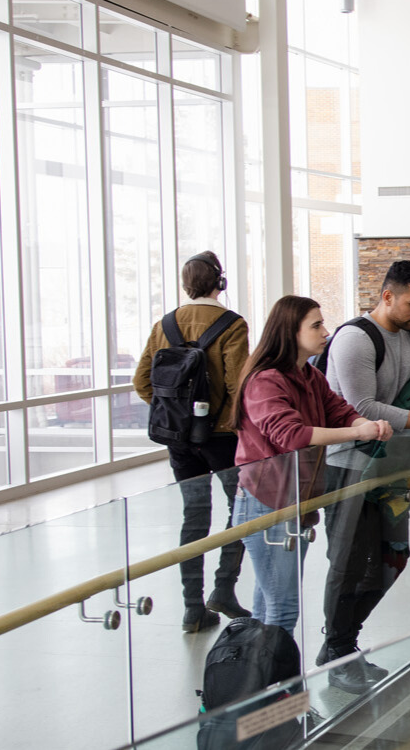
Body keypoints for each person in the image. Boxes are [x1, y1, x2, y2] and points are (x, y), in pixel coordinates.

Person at [315, 260, 410, 692]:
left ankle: (342, 644)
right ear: (387, 296)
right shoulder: (354, 340)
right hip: (349, 469)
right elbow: (362, 408)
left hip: (393, 468)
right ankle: (338, 652)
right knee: (348, 565)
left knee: (392, 559)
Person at [232, 295, 394, 634]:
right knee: (282, 607)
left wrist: (365, 424)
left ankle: (260, 681)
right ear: (290, 332)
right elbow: (289, 435)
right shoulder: (265, 380)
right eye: (316, 325)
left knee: (269, 605)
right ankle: (281, 687)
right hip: (267, 503)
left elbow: (339, 410)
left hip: (297, 500)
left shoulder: (308, 375)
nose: (326, 331)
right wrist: (355, 431)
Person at [132, 251, 253, 633]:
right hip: (220, 437)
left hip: (178, 439)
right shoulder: (232, 325)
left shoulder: (164, 324)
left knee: (194, 515)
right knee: (244, 508)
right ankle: (223, 588)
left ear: (186, 285)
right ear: (221, 282)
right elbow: (236, 386)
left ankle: (192, 609)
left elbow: (142, 382)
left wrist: (177, 415)